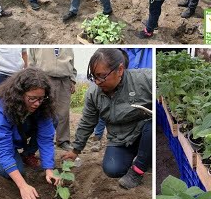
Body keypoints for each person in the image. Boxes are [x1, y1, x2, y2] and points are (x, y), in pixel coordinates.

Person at [62, 49, 152, 189]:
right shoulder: (93, 93)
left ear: (120, 70)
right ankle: (145, 157)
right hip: (120, 138)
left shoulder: (143, 79)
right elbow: (87, 122)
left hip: (144, 133)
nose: (97, 82)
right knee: (112, 169)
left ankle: (138, 170)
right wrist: (75, 150)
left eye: (101, 76)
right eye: (94, 77)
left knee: (152, 125)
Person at [0, 68, 59, 199]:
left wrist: (49, 169)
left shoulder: (42, 106)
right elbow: (4, 152)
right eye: (32, 98)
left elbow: (46, 137)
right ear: (19, 95)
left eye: (41, 98)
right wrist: (23, 186)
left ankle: (27, 154)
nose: (37, 103)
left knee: (53, 120)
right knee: (13, 172)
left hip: (20, 134)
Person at [29, 48, 76, 151]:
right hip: (43, 78)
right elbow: (31, 62)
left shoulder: (68, 47)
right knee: (42, 111)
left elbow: (72, 64)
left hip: (64, 79)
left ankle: (63, 140)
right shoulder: (35, 47)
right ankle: (38, 140)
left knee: (63, 113)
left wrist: (72, 79)